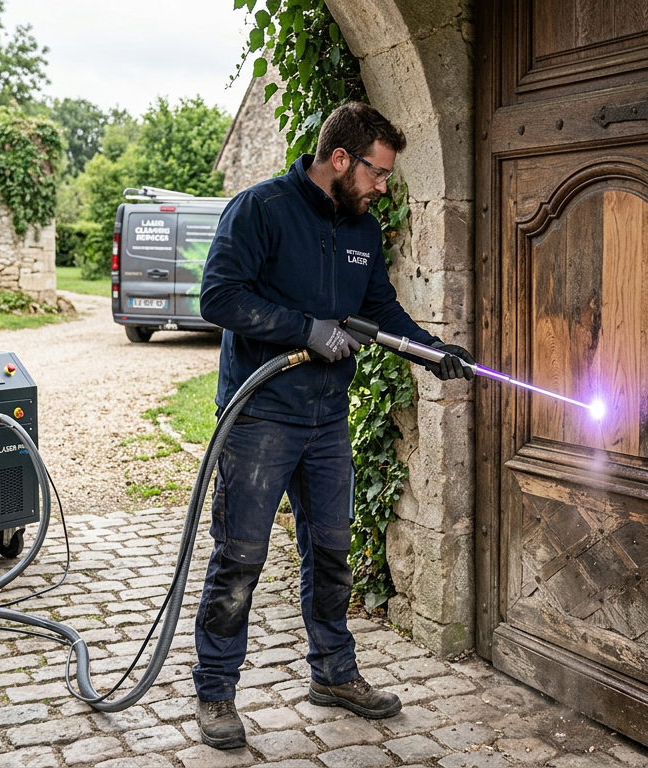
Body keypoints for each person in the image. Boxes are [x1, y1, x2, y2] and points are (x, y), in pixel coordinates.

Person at [193, 102, 473, 750]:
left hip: (325, 423)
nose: (382, 187)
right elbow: (219, 298)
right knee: (239, 560)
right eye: (377, 173)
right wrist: (304, 330)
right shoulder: (260, 210)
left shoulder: (361, 234)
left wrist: (436, 353)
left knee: (333, 555)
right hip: (259, 419)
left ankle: (334, 674)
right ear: (340, 159)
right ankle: (215, 692)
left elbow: (381, 311)